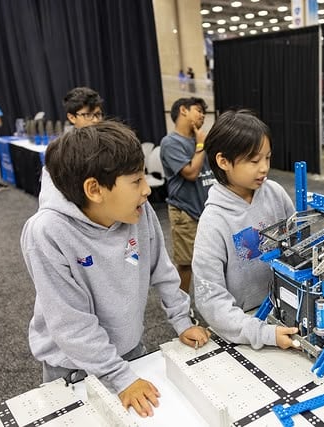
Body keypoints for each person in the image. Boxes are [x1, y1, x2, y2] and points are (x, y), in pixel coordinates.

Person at [21, 121, 211, 418]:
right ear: (94, 189)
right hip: (72, 367)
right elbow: (71, 323)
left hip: (129, 350)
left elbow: (161, 269)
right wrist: (120, 377)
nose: (147, 190)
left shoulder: (138, 209)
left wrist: (182, 320)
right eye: (136, 181)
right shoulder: (47, 232)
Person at [192, 109, 299, 350]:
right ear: (223, 161)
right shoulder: (214, 221)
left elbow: (297, 245)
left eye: (267, 158)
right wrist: (260, 332)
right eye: (253, 161)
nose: (264, 168)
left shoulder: (275, 194)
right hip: (243, 327)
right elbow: (211, 299)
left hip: (286, 310)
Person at [160, 98, 216, 295]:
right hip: (186, 212)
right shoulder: (170, 143)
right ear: (183, 110)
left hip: (207, 211)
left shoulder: (199, 140)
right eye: (198, 110)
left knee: (210, 261)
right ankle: (180, 309)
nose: (202, 115)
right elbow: (191, 173)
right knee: (186, 264)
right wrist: (201, 144)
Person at [38, 87, 104, 203]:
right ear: (71, 117)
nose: (95, 120)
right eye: (88, 115)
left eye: (98, 114)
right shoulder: (60, 151)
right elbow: (51, 196)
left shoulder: (109, 142)